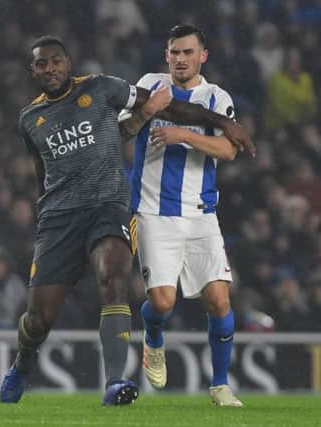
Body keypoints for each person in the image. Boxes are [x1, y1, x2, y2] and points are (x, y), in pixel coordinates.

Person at [0, 35, 253, 406]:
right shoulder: (30, 119)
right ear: (32, 71)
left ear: (68, 62)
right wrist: (43, 217)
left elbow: (163, 108)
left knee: (114, 277)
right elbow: (44, 173)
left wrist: (220, 121)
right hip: (58, 218)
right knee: (39, 318)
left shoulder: (102, 87)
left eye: (56, 60)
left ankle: (115, 382)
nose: (50, 68)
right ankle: (23, 361)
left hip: (109, 206)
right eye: (41, 64)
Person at [120, 24, 244, 407]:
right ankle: (153, 337)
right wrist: (146, 115)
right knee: (161, 302)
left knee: (219, 301)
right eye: (174, 52)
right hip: (153, 211)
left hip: (201, 213)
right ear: (166, 55)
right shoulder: (149, 85)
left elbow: (228, 150)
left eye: (188, 52)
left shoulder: (216, 97)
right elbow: (123, 130)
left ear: (202, 56)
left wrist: (184, 135)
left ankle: (220, 385)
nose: (180, 59)